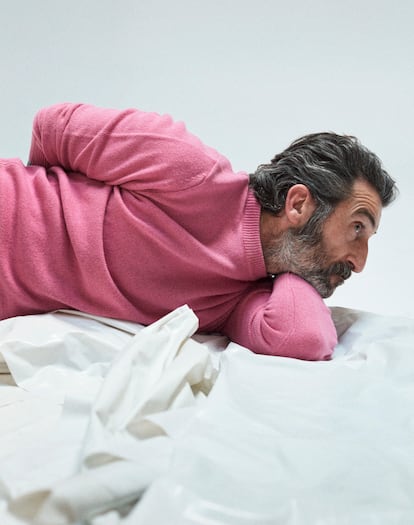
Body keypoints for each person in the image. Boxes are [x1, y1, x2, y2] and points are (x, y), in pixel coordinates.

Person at [0, 103, 397, 360]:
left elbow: (304, 338)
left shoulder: (238, 302)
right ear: (297, 204)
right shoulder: (188, 170)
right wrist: (44, 215)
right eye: (357, 228)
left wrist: (294, 266)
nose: (359, 263)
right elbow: (54, 127)